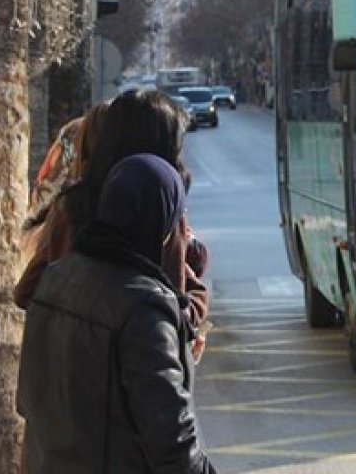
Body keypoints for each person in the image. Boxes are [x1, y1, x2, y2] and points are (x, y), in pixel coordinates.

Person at [17, 154, 216, 473]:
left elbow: (32, 401)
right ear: (160, 222)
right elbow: (173, 445)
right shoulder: (145, 309)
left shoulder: (55, 278)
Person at [14, 91, 210, 358]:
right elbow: (174, 304)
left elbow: (27, 292)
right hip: (142, 366)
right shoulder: (158, 208)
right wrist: (193, 314)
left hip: (69, 368)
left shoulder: (72, 204)